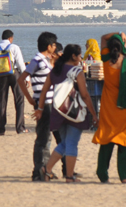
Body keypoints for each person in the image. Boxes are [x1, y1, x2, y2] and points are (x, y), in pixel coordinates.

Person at [38, 44, 98, 182]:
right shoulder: (77, 71)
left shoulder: (55, 71)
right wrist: (93, 113)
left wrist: (40, 109)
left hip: (59, 111)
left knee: (64, 143)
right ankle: (69, 177)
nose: (80, 57)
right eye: (79, 55)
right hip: (73, 112)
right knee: (71, 144)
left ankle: (47, 170)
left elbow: (44, 91)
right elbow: (85, 95)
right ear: (73, 56)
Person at [93, 32, 126, 184]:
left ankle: (102, 173)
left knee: (107, 140)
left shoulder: (106, 59)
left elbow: (102, 37)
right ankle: (124, 175)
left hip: (109, 107)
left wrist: (118, 34)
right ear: (123, 46)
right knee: (125, 141)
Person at [18, 31, 59, 181]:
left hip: (49, 103)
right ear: (49, 46)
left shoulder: (45, 60)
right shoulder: (37, 60)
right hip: (43, 104)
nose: (55, 48)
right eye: (54, 45)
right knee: (43, 138)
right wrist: (29, 99)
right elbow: (21, 79)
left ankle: (45, 169)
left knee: (47, 137)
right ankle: (39, 171)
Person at [0, 29, 27, 135]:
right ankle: (19, 127)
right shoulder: (14, 47)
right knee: (19, 99)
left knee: (2, 101)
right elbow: (21, 64)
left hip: (1, 75)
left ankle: (1, 129)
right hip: (14, 74)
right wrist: (27, 78)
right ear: (10, 38)